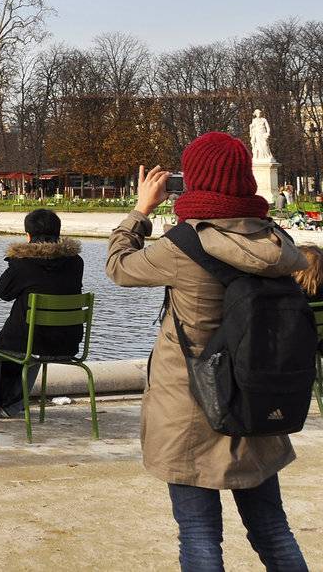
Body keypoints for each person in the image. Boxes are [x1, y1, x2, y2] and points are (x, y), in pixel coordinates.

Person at [108, 134, 309, 570]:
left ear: (194, 180)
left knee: (199, 536)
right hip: (258, 395)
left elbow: (119, 266)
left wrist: (140, 211)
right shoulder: (275, 239)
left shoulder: (184, 245)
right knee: (274, 531)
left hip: (191, 404)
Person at [0, 209, 83, 418]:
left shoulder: (24, 262)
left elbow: (3, 293)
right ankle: (12, 405)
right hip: (67, 342)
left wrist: (16, 260)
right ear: (58, 234)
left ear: (29, 236)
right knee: (35, 347)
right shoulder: (76, 262)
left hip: (32, 340)